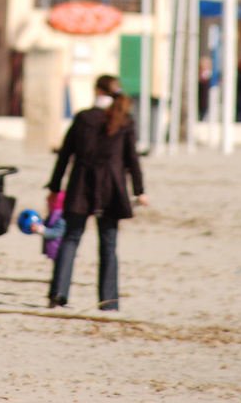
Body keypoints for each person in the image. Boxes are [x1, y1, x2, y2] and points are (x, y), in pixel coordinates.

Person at [46, 73, 148, 311]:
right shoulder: (124, 120)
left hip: (81, 184)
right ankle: (108, 301)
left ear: (97, 91)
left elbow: (64, 155)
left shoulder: (83, 117)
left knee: (70, 239)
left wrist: (54, 187)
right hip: (111, 187)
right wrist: (139, 190)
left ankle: (58, 294)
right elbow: (132, 159)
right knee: (109, 245)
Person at [30, 189, 66, 262]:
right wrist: (38, 225)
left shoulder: (60, 216)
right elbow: (48, 225)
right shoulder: (52, 215)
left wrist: (41, 230)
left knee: (61, 267)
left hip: (59, 249)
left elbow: (57, 232)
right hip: (53, 249)